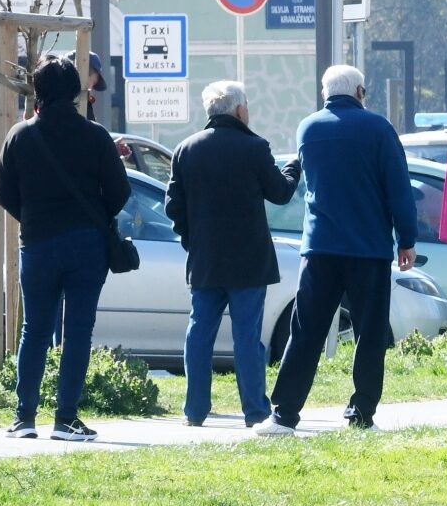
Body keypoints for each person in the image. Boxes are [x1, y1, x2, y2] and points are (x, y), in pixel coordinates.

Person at [257, 65, 417, 436]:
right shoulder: (379, 129)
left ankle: (284, 414)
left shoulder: (308, 128)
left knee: (306, 330)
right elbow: (398, 187)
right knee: (369, 332)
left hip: (320, 246)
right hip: (369, 247)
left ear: (324, 92)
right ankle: (360, 413)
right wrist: (406, 238)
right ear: (360, 92)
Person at [0, 55, 130, 440]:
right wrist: (94, 218)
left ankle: (24, 418)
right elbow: (120, 191)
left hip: (37, 244)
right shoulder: (95, 135)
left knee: (34, 330)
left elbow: (5, 194)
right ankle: (66, 418)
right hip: (87, 245)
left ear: (38, 90)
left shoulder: (20, 136)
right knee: (77, 332)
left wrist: (35, 219)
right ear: (77, 90)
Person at [164, 81, 298, 427]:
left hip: (205, 260)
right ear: (240, 110)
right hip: (249, 262)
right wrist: (294, 167)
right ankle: (255, 411)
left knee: (199, 333)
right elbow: (281, 193)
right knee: (247, 338)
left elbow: (172, 206)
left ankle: (195, 411)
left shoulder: (186, 149)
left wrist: (191, 240)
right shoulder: (254, 148)